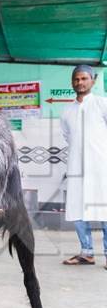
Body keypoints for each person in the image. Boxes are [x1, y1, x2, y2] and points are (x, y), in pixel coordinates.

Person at [61, 65, 107, 268]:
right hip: (77, 168)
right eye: (76, 79)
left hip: (101, 167)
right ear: (72, 82)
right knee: (78, 208)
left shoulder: (102, 104)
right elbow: (67, 136)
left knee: (104, 208)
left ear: (93, 81)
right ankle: (86, 252)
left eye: (84, 78)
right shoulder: (67, 110)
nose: (80, 82)